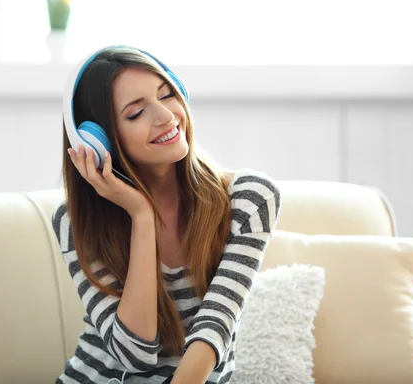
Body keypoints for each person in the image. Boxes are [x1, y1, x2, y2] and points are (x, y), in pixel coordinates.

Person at [51, 45, 281, 384]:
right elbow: (135, 354)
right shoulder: (76, 222)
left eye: (167, 94)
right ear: (98, 142)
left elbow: (213, 329)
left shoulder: (250, 200)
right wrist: (141, 217)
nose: (165, 116)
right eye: (136, 113)